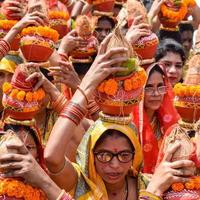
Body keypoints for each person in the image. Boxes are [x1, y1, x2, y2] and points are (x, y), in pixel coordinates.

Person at [44, 34, 193, 199]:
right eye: (104, 155)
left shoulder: (148, 184)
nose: (114, 165)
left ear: (134, 155)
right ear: (90, 155)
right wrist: (86, 86)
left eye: (124, 155)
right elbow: (51, 157)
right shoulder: (81, 183)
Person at [132, 63, 179, 174]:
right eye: (148, 88)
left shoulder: (168, 123)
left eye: (160, 86)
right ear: (139, 90)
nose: (156, 93)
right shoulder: (130, 125)